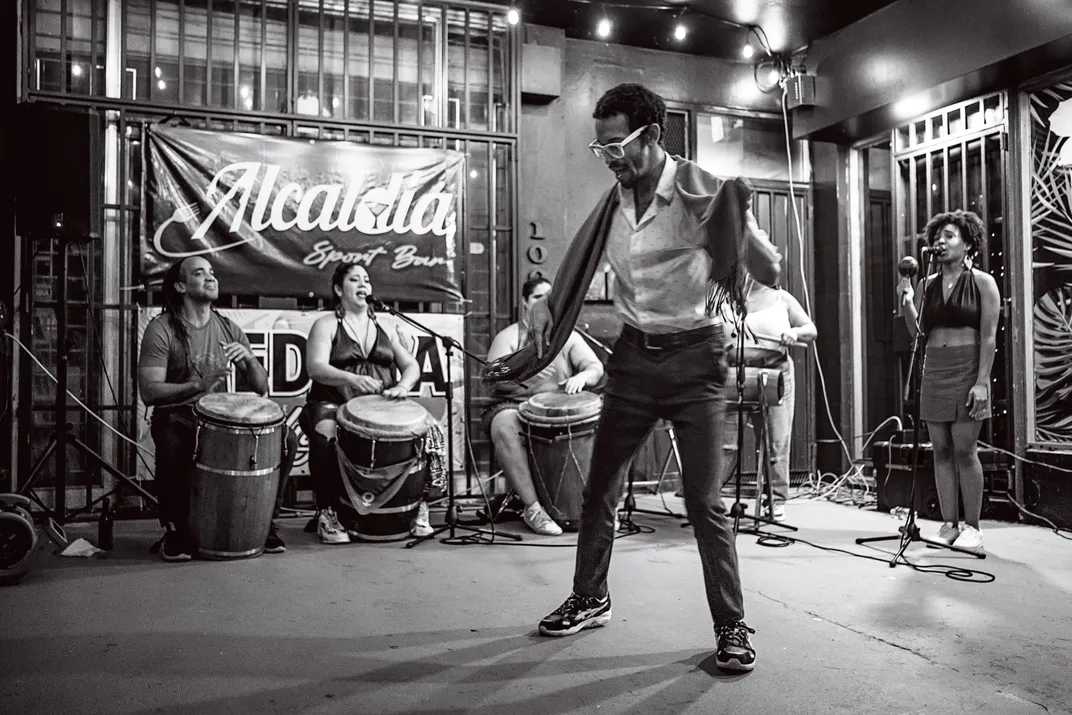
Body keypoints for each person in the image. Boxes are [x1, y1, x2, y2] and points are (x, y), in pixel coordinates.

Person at [485, 83, 782, 672]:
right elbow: (573, 273)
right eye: (600, 149)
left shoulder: (703, 193)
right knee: (600, 491)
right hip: (634, 360)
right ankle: (591, 597)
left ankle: (731, 625)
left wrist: (737, 219)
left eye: (616, 145)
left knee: (703, 503)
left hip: (697, 358)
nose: (610, 157)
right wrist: (549, 304)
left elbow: (771, 269)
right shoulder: (612, 208)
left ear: (650, 135)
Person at [138, 257, 298, 562]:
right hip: (177, 413)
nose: (211, 278)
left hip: (220, 419)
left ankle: (266, 523)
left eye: (212, 272)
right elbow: (150, 391)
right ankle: (174, 529)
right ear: (181, 286)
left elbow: (261, 388)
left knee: (287, 441)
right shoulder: (162, 329)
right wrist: (198, 386)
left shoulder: (227, 327)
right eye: (200, 273)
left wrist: (249, 361)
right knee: (172, 440)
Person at [302, 264, 425, 545]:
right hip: (330, 403)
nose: (363, 285)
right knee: (326, 433)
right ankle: (327, 512)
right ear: (338, 289)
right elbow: (315, 368)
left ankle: (419, 506)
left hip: (377, 408)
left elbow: (411, 365)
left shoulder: (384, 325)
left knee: (428, 432)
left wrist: (403, 386)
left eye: (366, 280)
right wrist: (351, 378)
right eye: (354, 280)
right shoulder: (326, 324)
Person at [900, 210, 999, 553]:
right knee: (940, 450)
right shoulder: (928, 284)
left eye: (950, 236)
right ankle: (948, 524)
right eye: (937, 236)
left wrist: (982, 382)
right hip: (935, 370)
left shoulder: (983, 283)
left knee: (964, 449)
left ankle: (973, 526)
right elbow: (919, 335)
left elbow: (989, 338)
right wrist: (908, 303)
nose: (940, 242)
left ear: (968, 243)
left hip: (967, 368)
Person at [483, 275, 605, 536]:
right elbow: (492, 379)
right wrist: (524, 373)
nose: (543, 303)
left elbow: (595, 367)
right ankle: (533, 508)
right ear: (525, 303)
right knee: (504, 425)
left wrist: (582, 377)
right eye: (538, 297)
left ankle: (598, 508)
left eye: (549, 298)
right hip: (514, 407)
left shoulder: (567, 337)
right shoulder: (509, 337)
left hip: (559, 412)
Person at [719, 277, 816, 521]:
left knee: (776, 442)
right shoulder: (724, 297)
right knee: (725, 444)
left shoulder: (782, 298)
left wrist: (794, 332)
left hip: (774, 372)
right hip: (734, 372)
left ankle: (775, 499)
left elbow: (810, 330)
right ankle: (709, 497)